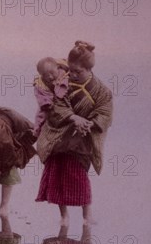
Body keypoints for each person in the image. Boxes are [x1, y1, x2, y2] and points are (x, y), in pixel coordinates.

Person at [36, 41, 113, 225]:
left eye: (79, 71)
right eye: (71, 70)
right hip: (60, 136)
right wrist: (73, 118)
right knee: (57, 175)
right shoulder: (61, 83)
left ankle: (87, 216)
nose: (74, 75)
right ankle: (64, 216)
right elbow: (55, 107)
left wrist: (90, 123)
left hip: (82, 139)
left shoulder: (101, 90)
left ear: (89, 69)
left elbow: (105, 112)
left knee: (79, 176)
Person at [33, 57, 70, 137]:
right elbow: (41, 94)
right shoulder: (40, 83)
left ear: (57, 67)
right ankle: (37, 130)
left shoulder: (62, 73)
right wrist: (46, 102)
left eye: (52, 73)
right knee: (40, 114)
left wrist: (60, 92)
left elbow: (65, 84)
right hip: (49, 99)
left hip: (64, 95)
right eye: (46, 75)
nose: (50, 77)